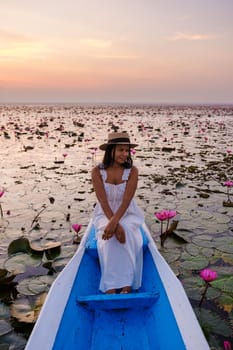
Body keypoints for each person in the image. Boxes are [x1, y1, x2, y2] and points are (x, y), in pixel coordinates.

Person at [91, 132, 144, 294]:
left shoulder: (132, 171)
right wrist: (112, 223)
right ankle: (111, 285)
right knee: (109, 239)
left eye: (127, 150)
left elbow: (127, 201)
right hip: (104, 213)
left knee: (126, 233)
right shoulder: (97, 171)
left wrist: (116, 223)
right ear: (111, 150)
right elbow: (103, 201)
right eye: (121, 150)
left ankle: (127, 283)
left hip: (127, 213)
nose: (125, 154)